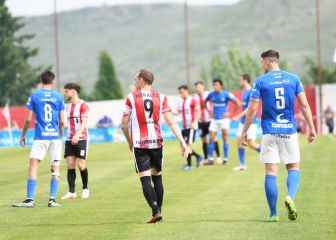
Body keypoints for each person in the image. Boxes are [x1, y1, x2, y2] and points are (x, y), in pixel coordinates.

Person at [242, 49, 316, 222]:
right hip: (289, 131)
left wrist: (245, 131)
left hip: (269, 132)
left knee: (271, 172)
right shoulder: (293, 79)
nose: (261, 65)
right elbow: (304, 106)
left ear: (268, 61)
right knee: (293, 168)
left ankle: (273, 214)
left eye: (262, 62)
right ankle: (290, 196)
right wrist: (312, 128)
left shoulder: (260, 81)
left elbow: (252, 110)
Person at [121, 69, 190, 224]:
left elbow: (124, 124)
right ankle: (158, 211)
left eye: (136, 78)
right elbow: (172, 122)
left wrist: (129, 141)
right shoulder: (162, 97)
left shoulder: (131, 98)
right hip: (157, 143)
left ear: (143, 80)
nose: (135, 80)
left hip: (140, 143)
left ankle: (155, 210)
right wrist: (183, 142)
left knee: (145, 179)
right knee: (157, 176)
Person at [12, 70, 65, 208]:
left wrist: (23, 135)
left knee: (34, 165)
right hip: (55, 137)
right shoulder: (59, 97)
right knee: (56, 167)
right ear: (53, 81)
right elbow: (63, 121)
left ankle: (30, 200)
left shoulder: (35, 96)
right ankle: (52, 200)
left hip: (40, 136)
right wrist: (59, 134)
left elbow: (28, 119)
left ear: (41, 81)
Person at [61, 83, 90, 200]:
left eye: (66, 91)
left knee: (81, 165)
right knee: (70, 165)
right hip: (69, 139)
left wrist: (77, 135)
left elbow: (84, 123)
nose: (65, 93)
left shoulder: (83, 105)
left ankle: (85, 189)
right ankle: (71, 192)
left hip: (81, 138)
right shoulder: (66, 107)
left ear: (73, 92)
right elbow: (64, 123)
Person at [205, 78, 241, 165]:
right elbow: (205, 102)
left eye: (216, 85)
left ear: (221, 86)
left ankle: (225, 158)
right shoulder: (211, 94)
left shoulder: (226, 94)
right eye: (214, 85)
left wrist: (231, 113)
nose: (215, 86)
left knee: (225, 138)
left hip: (224, 120)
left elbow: (238, 103)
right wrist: (209, 112)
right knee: (211, 139)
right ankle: (210, 159)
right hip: (214, 120)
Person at [232, 74, 261, 171]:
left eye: (240, 80)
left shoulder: (252, 91)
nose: (239, 81)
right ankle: (242, 165)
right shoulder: (243, 92)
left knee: (251, 143)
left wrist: (238, 115)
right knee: (239, 141)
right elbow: (244, 105)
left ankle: (268, 153)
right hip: (242, 122)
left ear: (245, 80)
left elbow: (250, 108)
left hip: (251, 121)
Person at [177, 85, 202, 171]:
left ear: (186, 91)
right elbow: (177, 112)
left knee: (187, 146)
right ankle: (198, 157)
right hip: (184, 127)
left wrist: (195, 121)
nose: (181, 94)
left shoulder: (193, 100)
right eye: (180, 93)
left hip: (191, 127)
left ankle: (189, 165)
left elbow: (198, 111)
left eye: (182, 92)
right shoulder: (181, 102)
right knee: (184, 147)